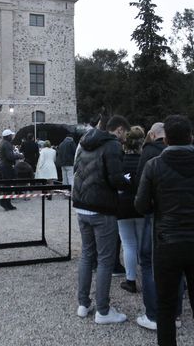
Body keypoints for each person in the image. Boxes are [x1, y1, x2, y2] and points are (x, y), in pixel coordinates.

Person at [135, 115, 194, 346]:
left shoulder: (153, 166)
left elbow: (141, 205)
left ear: (166, 139)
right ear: (190, 136)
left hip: (167, 243)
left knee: (165, 309)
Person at [73, 115, 132, 325]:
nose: (125, 137)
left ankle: (83, 304)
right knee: (106, 260)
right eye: (125, 132)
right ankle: (103, 311)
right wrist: (129, 185)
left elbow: (77, 170)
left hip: (82, 205)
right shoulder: (112, 146)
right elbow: (115, 178)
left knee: (87, 256)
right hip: (102, 208)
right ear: (118, 130)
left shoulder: (84, 142)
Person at [135, 122, 170, 330]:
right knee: (174, 263)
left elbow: (141, 183)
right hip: (180, 217)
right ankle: (174, 314)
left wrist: (145, 207)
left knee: (148, 261)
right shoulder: (190, 154)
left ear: (153, 134)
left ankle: (154, 315)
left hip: (155, 213)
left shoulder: (148, 152)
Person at [117, 125, 145, 293]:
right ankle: (146, 275)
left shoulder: (120, 161)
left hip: (123, 205)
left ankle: (131, 279)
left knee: (128, 244)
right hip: (141, 205)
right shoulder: (145, 161)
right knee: (142, 243)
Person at [0, 129, 21, 211]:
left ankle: (7, 202)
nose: (12, 137)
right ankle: (5, 202)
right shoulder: (7, 144)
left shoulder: (2, 143)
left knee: (7, 185)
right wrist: (19, 155)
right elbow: (10, 156)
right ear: (8, 136)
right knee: (9, 185)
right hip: (7, 166)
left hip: (4, 165)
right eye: (11, 135)